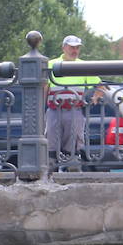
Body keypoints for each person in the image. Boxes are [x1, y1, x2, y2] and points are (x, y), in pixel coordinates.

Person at [46, 35, 103, 165]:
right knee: (51, 142)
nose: (75, 51)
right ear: (64, 48)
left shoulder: (83, 66)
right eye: (72, 47)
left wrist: (95, 98)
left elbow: (101, 86)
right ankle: (51, 169)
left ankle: (72, 169)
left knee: (74, 142)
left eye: (77, 48)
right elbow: (45, 86)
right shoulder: (51, 64)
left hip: (75, 110)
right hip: (54, 109)